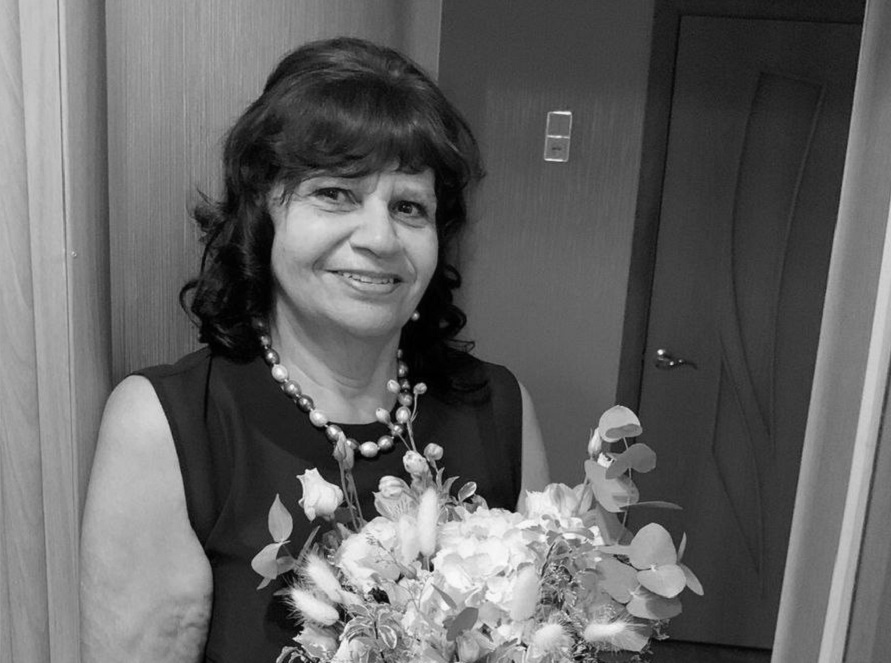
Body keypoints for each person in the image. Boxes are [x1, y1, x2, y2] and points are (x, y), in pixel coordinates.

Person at [80, 37, 549, 663]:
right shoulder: (169, 425)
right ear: (263, 212)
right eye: (335, 193)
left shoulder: (501, 408)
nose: (381, 238)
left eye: (408, 207)